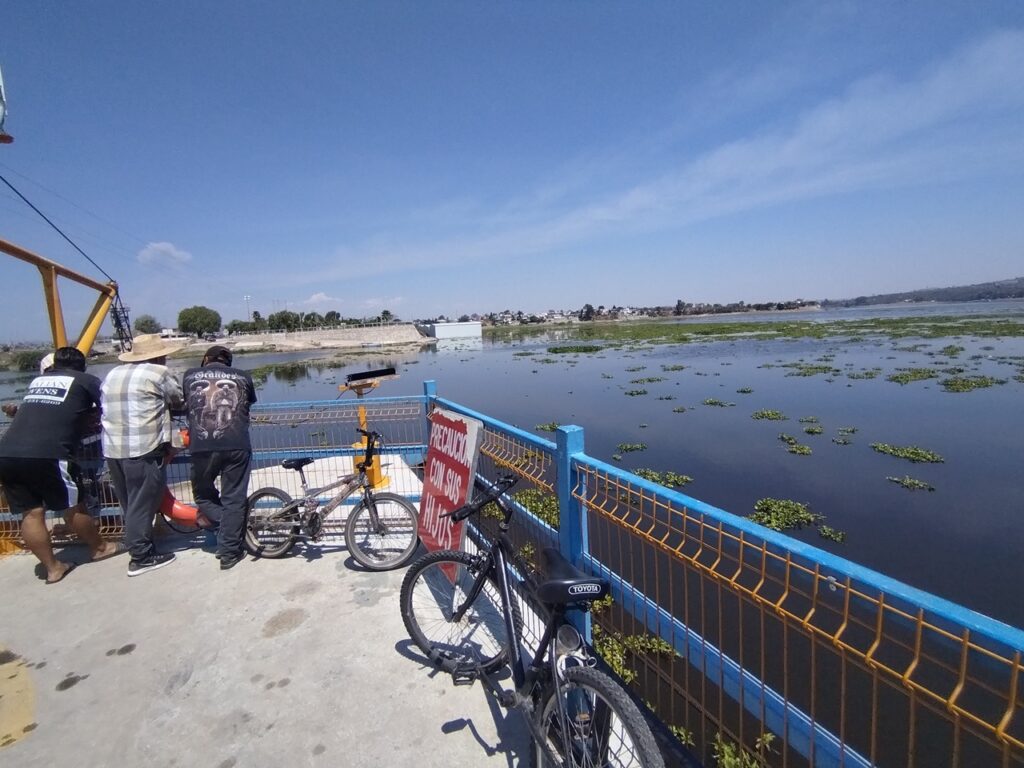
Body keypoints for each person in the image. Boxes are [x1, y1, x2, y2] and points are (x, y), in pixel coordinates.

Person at [0, 346, 122, 583]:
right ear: (82, 366)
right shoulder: (86, 381)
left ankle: (53, 568)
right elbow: (109, 407)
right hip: (50, 453)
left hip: (7, 453)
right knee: (73, 507)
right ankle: (100, 548)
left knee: (31, 513)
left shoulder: (38, 382)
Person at [100, 333, 186, 576]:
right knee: (142, 503)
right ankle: (141, 556)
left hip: (113, 449)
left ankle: (139, 544)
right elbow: (178, 400)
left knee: (129, 502)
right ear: (158, 356)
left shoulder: (112, 373)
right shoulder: (159, 373)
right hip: (143, 448)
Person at [182, 345, 257, 570]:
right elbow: (248, 402)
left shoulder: (189, 375)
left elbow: (183, 402)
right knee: (234, 499)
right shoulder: (243, 376)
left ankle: (227, 530)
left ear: (206, 359)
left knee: (202, 494)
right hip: (236, 445)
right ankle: (229, 551)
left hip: (202, 446)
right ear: (228, 362)